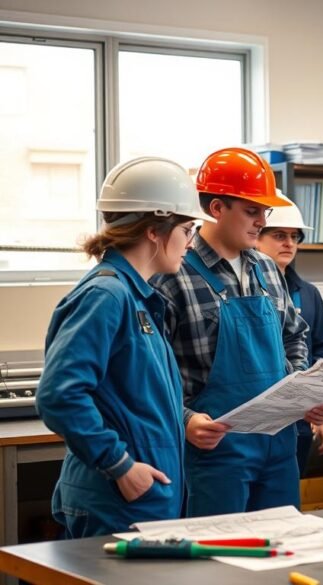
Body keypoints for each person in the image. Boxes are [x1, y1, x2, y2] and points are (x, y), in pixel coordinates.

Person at [152, 147, 323, 517]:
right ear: (216, 208)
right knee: (219, 568)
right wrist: (184, 419)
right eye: (252, 211)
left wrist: (302, 392)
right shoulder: (173, 273)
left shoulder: (267, 269)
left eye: (264, 212)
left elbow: (294, 335)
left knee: (281, 556)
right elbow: (151, 370)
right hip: (214, 450)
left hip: (279, 448)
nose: (260, 222)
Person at [36, 157, 214, 538]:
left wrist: (183, 420)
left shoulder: (140, 298)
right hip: (115, 501)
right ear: (154, 230)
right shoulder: (107, 295)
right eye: (187, 229)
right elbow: (59, 396)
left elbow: (140, 397)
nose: (191, 242)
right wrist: (118, 464)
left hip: (145, 500)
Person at [256, 193, 323, 475]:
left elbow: (322, 351)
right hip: (255, 416)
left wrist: (318, 413)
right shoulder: (243, 289)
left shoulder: (309, 294)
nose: (289, 243)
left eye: (294, 236)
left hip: (301, 415)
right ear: (257, 235)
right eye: (279, 235)